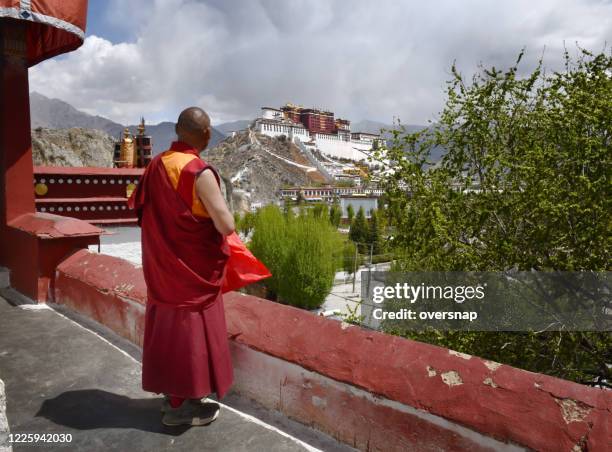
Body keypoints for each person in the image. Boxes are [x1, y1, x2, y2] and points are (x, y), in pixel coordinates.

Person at [128, 106, 235, 426]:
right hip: (193, 271)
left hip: (162, 268)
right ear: (205, 135)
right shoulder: (198, 171)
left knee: (169, 333)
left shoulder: (156, 165)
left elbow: (143, 211)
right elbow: (226, 225)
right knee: (190, 336)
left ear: (177, 130)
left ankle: (173, 399)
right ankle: (181, 407)